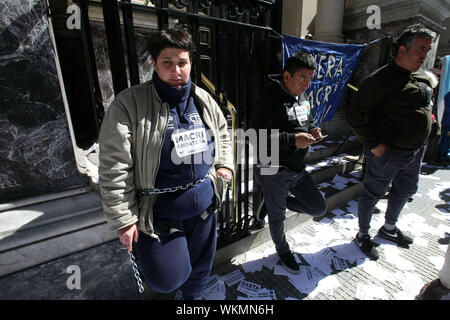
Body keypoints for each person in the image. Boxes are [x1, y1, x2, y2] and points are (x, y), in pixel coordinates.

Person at [98, 26, 233, 300]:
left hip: (205, 208)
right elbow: (114, 166)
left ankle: (192, 301)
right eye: (167, 63)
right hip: (158, 214)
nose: (176, 70)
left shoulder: (203, 99)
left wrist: (224, 165)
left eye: (182, 63)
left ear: (191, 63)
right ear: (154, 64)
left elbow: (223, 133)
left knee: (200, 271)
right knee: (167, 278)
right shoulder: (129, 104)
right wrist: (123, 220)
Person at [346, 24, 436, 260]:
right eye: (421, 48)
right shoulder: (380, 80)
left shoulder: (415, 76)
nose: (424, 55)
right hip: (387, 152)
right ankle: (362, 235)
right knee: (372, 193)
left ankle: (389, 228)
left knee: (405, 189)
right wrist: (372, 143)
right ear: (403, 50)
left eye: (427, 49)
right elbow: (355, 113)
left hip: (414, 152)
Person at [250, 51, 327, 274]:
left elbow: (307, 117)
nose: (307, 84)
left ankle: (274, 202)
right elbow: (256, 137)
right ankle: (283, 251)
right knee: (277, 217)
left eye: (311, 79)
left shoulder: (302, 97)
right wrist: (294, 139)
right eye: (303, 77)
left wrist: (313, 128)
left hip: (297, 167)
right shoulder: (268, 99)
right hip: (272, 167)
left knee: (318, 207)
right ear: (286, 75)